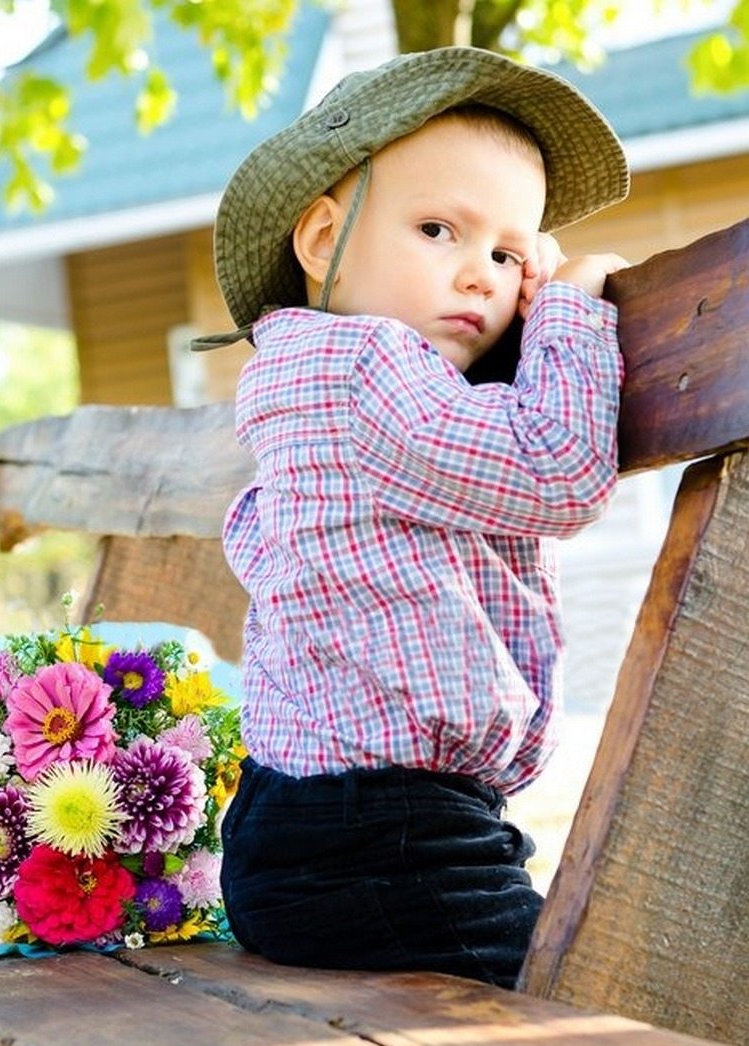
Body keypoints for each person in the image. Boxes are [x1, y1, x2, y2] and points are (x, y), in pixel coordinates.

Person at [194, 45, 630, 988]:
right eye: (439, 229)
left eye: (511, 253)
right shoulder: (361, 372)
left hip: (330, 826)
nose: (482, 276)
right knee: (579, 996)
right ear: (321, 242)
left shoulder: (345, 383)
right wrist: (570, 309)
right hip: (379, 837)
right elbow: (559, 468)